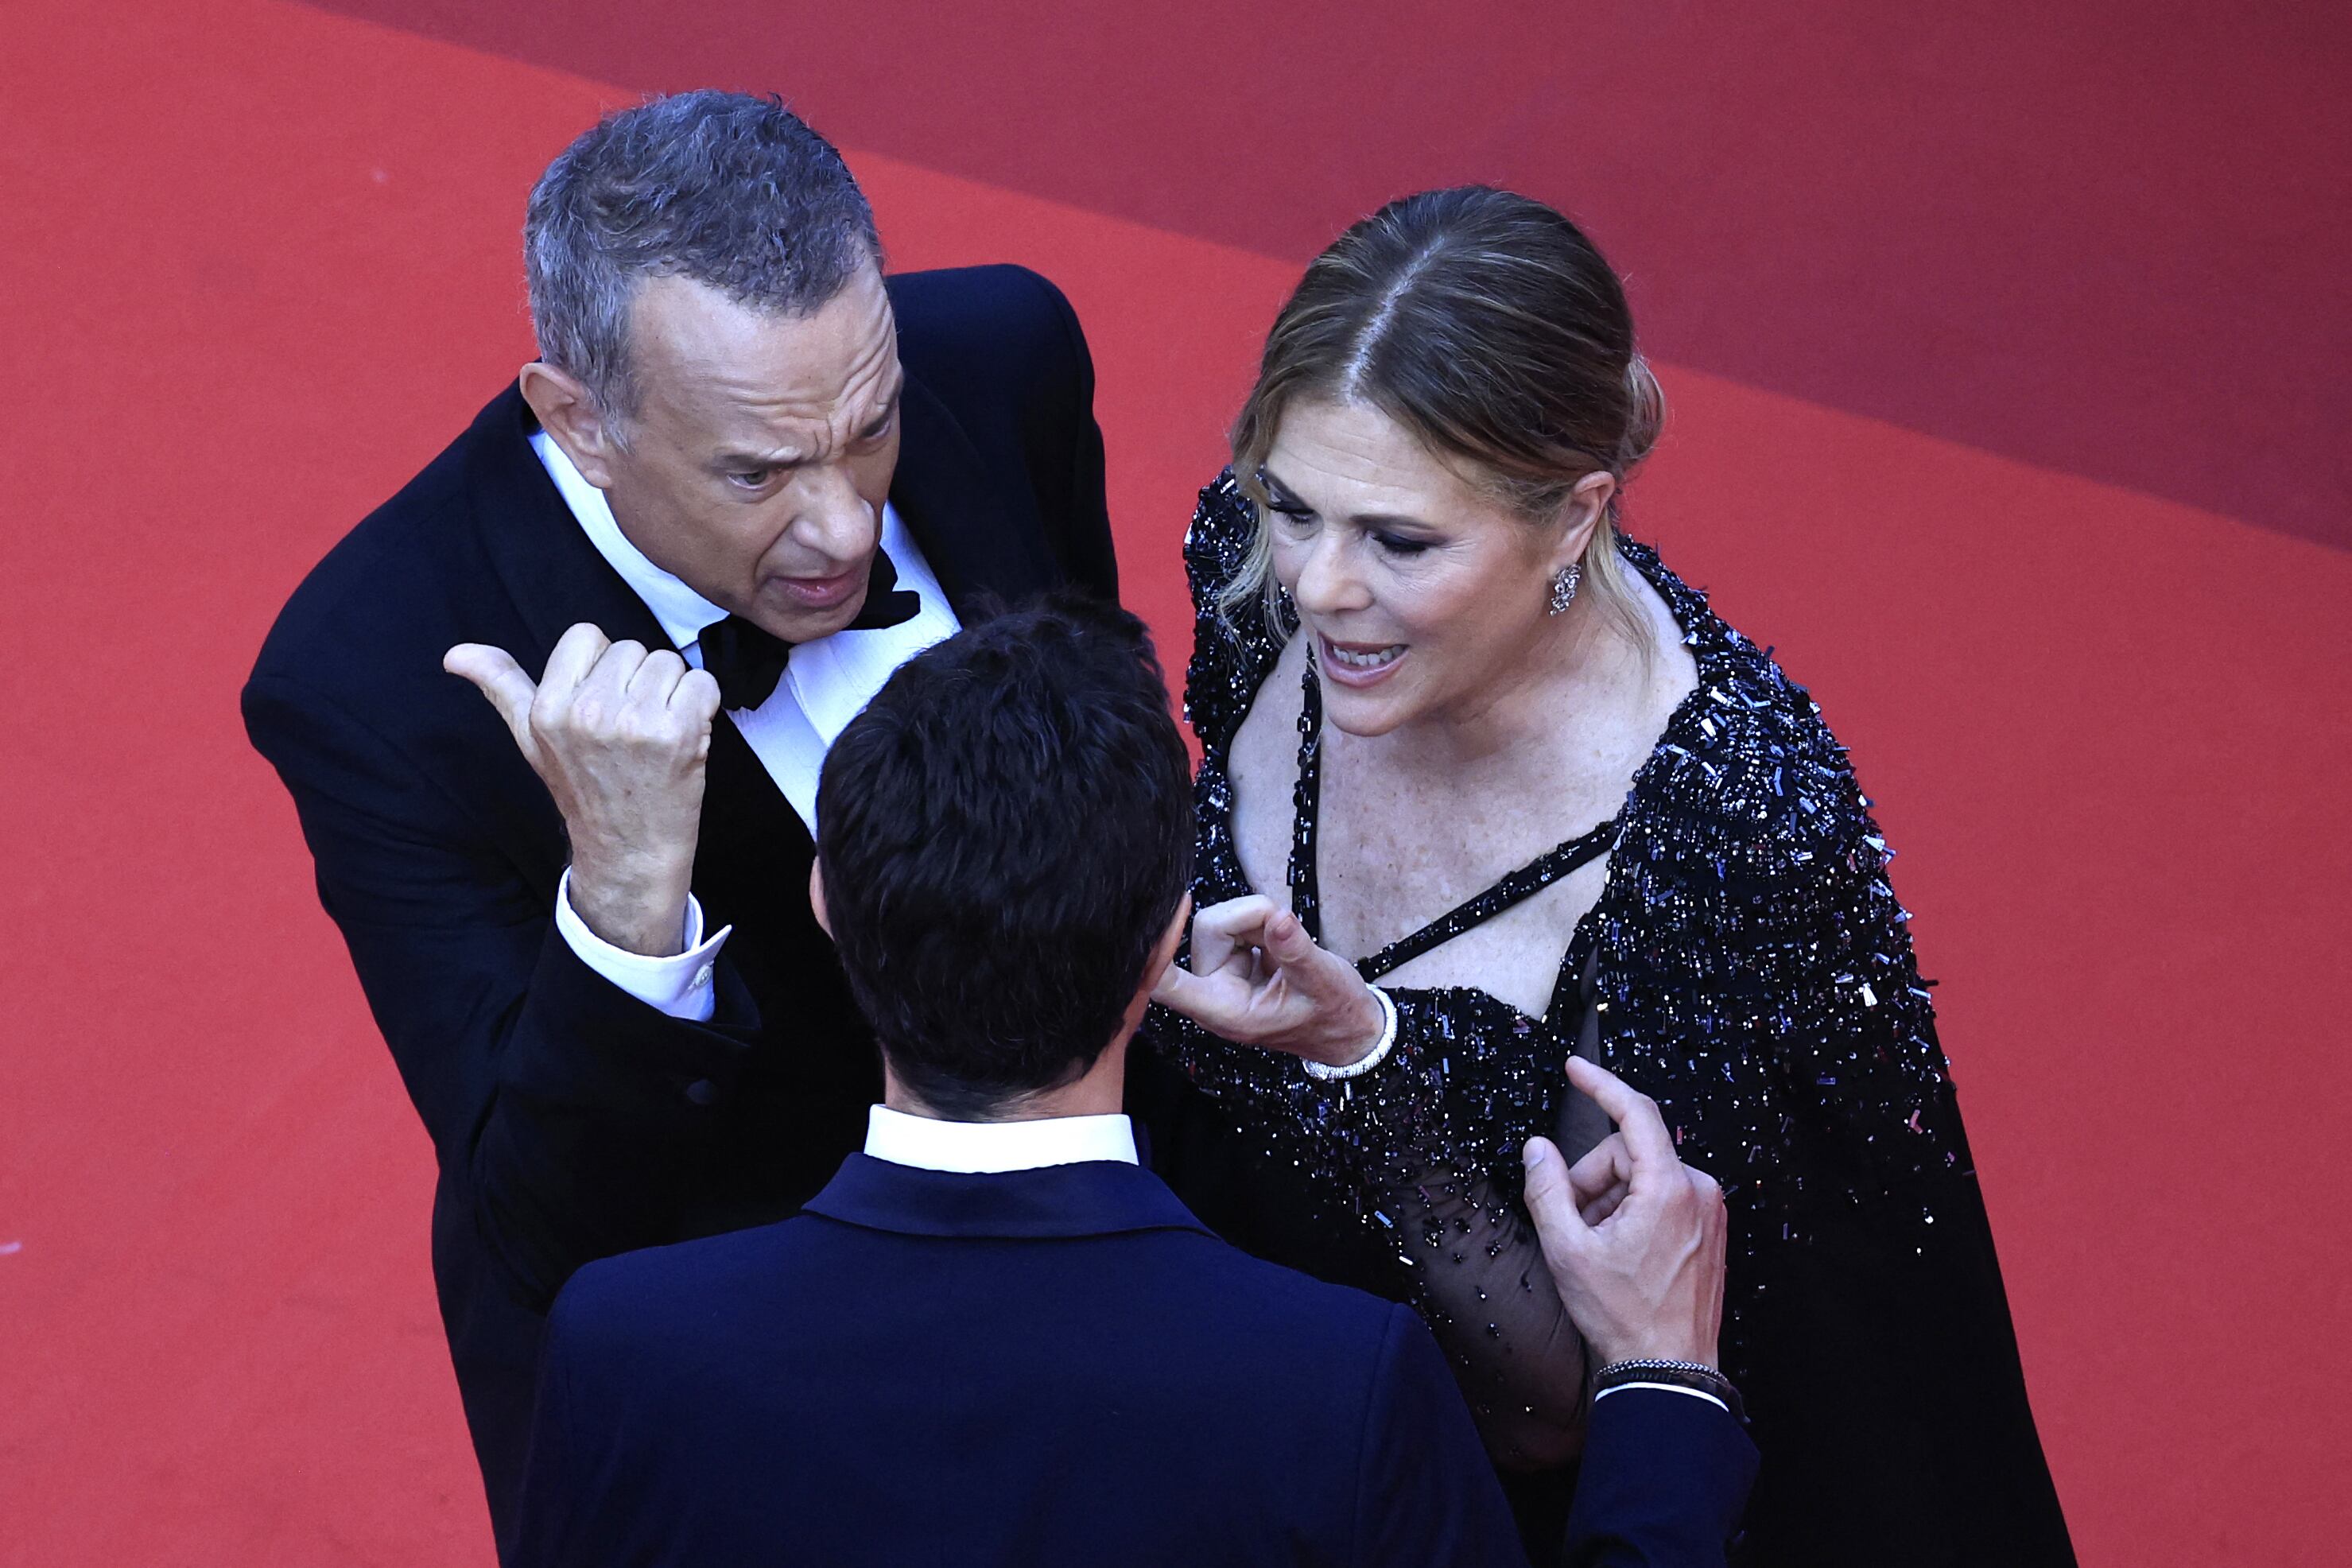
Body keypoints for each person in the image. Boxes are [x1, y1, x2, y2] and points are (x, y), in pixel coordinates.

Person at [1140, 186, 2076, 1565]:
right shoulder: (1263, 563)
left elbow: (1560, 1408)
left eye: (1400, 541)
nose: (1319, 584)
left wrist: (1358, 1059)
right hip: (1219, 1389)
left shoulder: (1723, 830)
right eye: (1293, 504)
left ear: (1573, 517)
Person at [240, 91, 1114, 1551]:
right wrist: (628, 893)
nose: (843, 528)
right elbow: (542, 1229)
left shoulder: (1002, 353)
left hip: (1113, 1256)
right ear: (577, 420)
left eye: (870, 430)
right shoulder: (372, 669)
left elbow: (1099, 752)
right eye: (757, 473)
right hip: (747, 1387)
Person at [512, 601, 1756, 1568]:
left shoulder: (626, 1347)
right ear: (1167, 938)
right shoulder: (1335, 1385)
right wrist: (1661, 1383)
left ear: (826, 903)